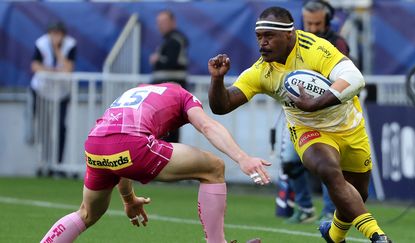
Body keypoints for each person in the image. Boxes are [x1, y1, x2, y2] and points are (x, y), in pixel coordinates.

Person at [207, 6, 392, 243]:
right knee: (328, 169)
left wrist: (316, 103)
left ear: (289, 35)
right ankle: (378, 236)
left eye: (269, 36)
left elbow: (356, 79)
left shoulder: (315, 49)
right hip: (308, 130)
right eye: (259, 37)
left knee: (358, 194)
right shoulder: (262, 71)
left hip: (349, 126)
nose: (262, 43)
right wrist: (217, 80)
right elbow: (222, 106)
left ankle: (334, 235)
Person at [40, 82, 270, 243]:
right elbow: (207, 126)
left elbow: (120, 155)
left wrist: (129, 199)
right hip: (131, 145)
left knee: (87, 213)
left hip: (95, 146)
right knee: (214, 167)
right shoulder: (182, 95)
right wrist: (243, 157)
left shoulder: (137, 92)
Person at [277, 0, 352, 224]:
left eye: (317, 23)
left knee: (329, 165)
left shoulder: (338, 43)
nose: (312, 28)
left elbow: (345, 77)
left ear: (327, 20)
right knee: (290, 162)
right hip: (299, 115)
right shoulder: (295, 42)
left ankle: (330, 211)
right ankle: (306, 207)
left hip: (329, 114)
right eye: (308, 23)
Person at [29, 21, 77, 173]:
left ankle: (58, 163)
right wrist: (52, 70)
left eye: (58, 33)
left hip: (61, 91)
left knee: (61, 127)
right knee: (44, 127)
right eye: (53, 33)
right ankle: (45, 163)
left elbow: (68, 68)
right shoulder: (41, 43)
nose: (55, 36)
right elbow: (35, 66)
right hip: (42, 90)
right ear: (49, 33)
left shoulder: (70, 45)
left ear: (63, 34)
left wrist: (57, 49)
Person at [149, 9, 189, 143]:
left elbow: (171, 62)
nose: (160, 25)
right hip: (165, 91)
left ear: (173, 22)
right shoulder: (168, 40)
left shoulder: (175, 40)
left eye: (164, 22)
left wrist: (157, 59)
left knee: (170, 129)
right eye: (158, 22)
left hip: (171, 91)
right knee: (164, 128)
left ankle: (172, 159)